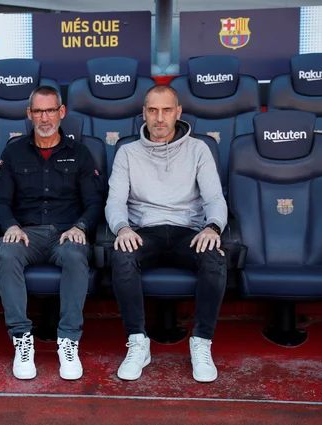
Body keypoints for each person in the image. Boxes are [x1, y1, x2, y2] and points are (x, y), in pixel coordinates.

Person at [106, 85, 227, 383]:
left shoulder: (199, 149)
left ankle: (201, 342)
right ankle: (137, 342)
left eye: (167, 110)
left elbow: (215, 199)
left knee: (214, 256)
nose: (160, 118)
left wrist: (213, 227)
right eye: (153, 110)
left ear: (178, 113)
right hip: (144, 231)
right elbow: (115, 202)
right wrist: (121, 227)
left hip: (189, 231)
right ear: (144, 113)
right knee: (122, 254)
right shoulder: (127, 152)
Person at [0, 85, 105, 381]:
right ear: (29, 114)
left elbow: (94, 202)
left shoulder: (80, 153)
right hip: (26, 233)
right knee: (7, 254)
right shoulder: (13, 151)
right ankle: (22, 339)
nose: (45, 118)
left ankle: (68, 340)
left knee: (75, 255)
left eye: (50, 110)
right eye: (38, 111)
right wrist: (11, 226)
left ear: (62, 112)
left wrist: (80, 227)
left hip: (65, 233)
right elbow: (0, 201)